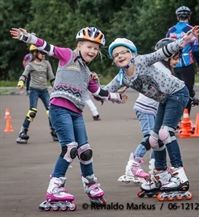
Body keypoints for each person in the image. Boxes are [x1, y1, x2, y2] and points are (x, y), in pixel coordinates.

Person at [10, 26, 125, 211]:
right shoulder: (67, 55)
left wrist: (116, 97)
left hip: (76, 113)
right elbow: (47, 46)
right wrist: (27, 37)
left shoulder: (88, 73)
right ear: (79, 45)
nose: (93, 51)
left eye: (96, 49)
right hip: (59, 109)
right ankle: (55, 188)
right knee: (70, 148)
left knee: (85, 150)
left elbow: (98, 91)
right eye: (89, 46)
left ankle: (91, 184)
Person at [104, 26, 199, 201]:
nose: (120, 56)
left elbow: (162, 52)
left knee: (165, 132)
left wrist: (184, 41)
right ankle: (162, 176)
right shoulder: (121, 78)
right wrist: (89, 84)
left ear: (132, 54)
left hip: (177, 92)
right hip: (165, 100)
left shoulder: (141, 61)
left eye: (124, 52)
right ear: (113, 60)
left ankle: (179, 175)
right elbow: (103, 92)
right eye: (116, 55)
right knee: (153, 140)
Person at [118, 38, 180, 184]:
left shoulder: (162, 67)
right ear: (167, 55)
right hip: (145, 108)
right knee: (150, 139)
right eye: (175, 58)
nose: (177, 61)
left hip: (154, 109)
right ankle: (132, 166)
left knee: (157, 139)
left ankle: (157, 167)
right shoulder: (160, 67)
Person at [16, 44, 58, 144]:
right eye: (41, 52)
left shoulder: (46, 63)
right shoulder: (30, 65)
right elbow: (24, 75)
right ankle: (22, 132)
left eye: (44, 52)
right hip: (33, 90)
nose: (43, 54)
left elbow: (51, 77)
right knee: (32, 111)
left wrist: (57, 87)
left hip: (44, 91)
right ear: (35, 53)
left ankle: (54, 132)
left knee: (50, 110)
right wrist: (21, 82)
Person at [166, 6, 199, 114]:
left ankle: (176, 120)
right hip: (187, 63)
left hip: (174, 64)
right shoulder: (192, 30)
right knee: (188, 92)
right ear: (189, 16)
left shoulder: (170, 30)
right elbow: (195, 50)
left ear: (177, 17)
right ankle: (185, 120)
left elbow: (166, 48)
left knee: (177, 91)